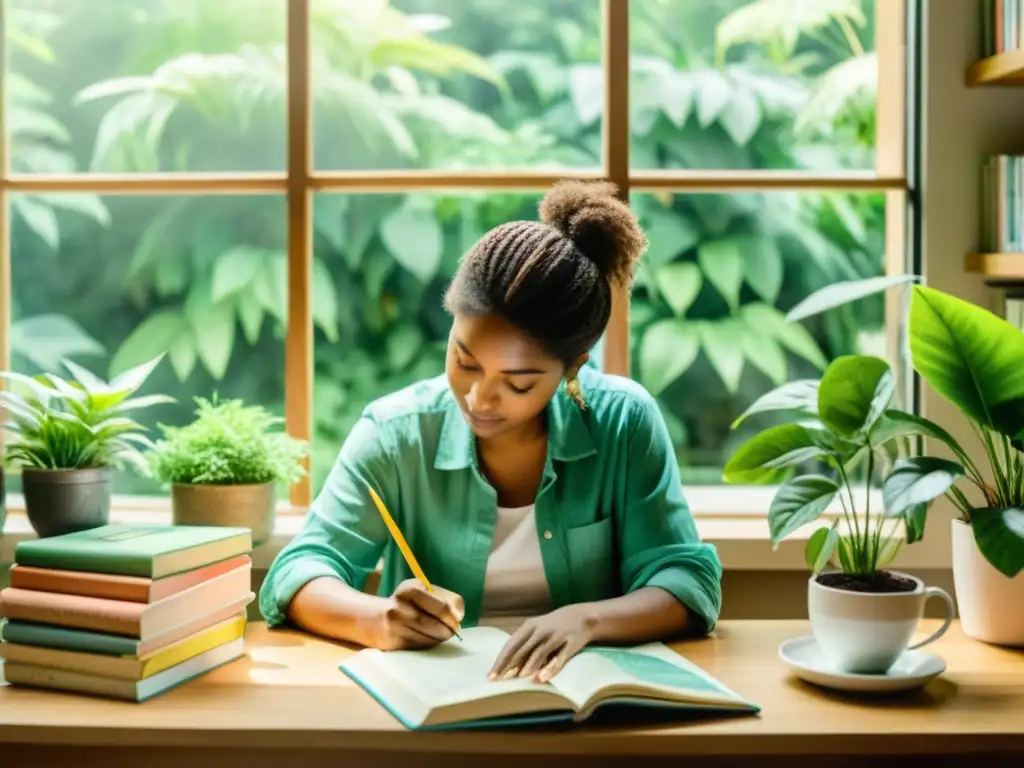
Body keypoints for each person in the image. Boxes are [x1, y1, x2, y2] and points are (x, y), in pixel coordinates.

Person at [258, 180, 723, 684]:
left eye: (518, 383)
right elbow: (300, 569)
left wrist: (587, 619)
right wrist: (377, 619)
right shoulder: (396, 433)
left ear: (573, 368)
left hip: (586, 709)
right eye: (464, 361)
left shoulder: (623, 422)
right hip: (437, 706)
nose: (478, 399)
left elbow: (687, 580)